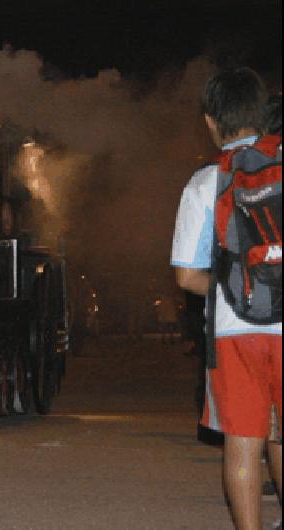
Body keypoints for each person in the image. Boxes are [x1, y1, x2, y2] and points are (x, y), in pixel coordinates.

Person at [171, 67, 281, 530]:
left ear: (211, 122)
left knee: (243, 439)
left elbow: (186, 277)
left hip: (234, 330)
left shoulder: (203, 183)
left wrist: (233, 290)